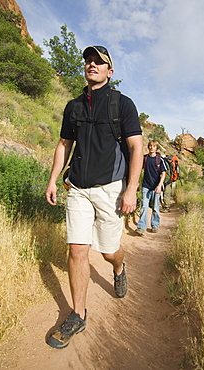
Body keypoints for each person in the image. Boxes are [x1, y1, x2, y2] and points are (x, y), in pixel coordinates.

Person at [45, 45, 143, 349]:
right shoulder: (73, 106)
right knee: (77, 251)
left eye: (99, 62)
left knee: (109, 251)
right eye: (89, 61)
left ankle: (118, 268)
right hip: (77, 188)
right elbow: (64, 144)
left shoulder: (122, 105)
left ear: (109, 72)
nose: (92, 64)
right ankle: (78, 314)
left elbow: (136, 147)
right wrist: (52, 180)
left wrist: (131, 190)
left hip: (110, 189)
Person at [135, 140, 167, 236]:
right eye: (150, 146)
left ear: (156, 148)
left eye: (153, 146)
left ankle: (155, 225)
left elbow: (163, 173)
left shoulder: (159, 159)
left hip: (156, 187)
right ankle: (141, 227)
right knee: (144, 206)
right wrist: (137, 182)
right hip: (146, 186)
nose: (151, 148)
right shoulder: (145, 158)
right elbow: (139, 170)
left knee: (155, 208)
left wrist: (159, 186)